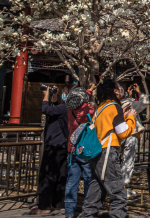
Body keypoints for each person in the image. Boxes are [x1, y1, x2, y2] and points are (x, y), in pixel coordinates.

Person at [80, 78, 136, 218]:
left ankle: (87, 215)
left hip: (97, 153)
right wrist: (131, 118)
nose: (121, 90)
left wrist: (121, 115)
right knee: (118, 195)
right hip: (108, 153)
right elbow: (123, 132)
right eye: (118, 88)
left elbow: (107, 126)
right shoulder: (114, 107)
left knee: (96, 192)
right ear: (115, 91)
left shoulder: (101, 108)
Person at [31, 84, 71, 215]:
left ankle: (44, 206)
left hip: (54, 144)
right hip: (66, 145)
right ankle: (59, 203)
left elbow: (46, 109)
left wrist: (46, 96)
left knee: (48, 175)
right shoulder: (72, 108)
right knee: (62, 174)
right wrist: (53, 96)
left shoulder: (64, 108)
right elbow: (54, 109)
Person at [64, 86, 96, 218]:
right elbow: (90, 106)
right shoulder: (89, 110)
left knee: (72, 182)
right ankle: (87, 210)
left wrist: (88, 91)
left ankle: (69, 213)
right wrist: (90, 93)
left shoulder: (69, 111)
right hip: (85, 150)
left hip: (72, 150)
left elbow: (78, 98)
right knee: (89, 180)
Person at [120, 82, 149, 199]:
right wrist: (139, 92)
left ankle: (121, 188)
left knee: (118, 162)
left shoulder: (115, 104)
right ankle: (125, 190)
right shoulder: (129, 103)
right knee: (128, 163)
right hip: (131, 133)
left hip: (119, 134)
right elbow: (145, 102)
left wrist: (129, 95)